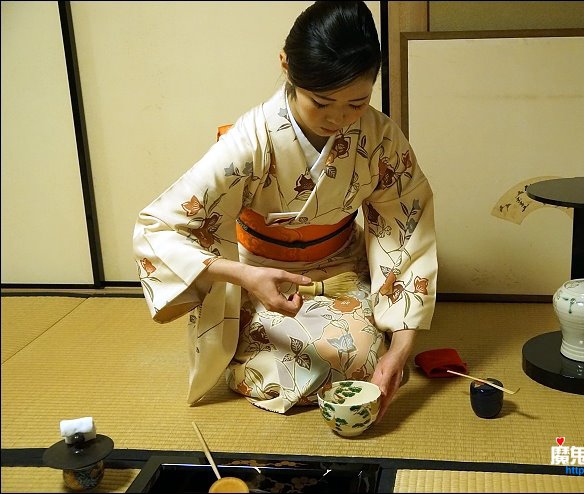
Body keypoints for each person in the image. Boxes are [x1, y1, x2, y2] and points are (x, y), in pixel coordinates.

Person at [133, 1, 437, 421]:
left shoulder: (379, 137)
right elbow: (158, 228)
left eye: (356, 103)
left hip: (337, 266)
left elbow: (404, 230)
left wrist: (400, 350)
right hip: (257, 269)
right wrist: (245, 276)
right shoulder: (250, 141)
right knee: (284, 361)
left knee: (360, 358)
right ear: (286, 66)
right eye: (321, 102)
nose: (338, 119)